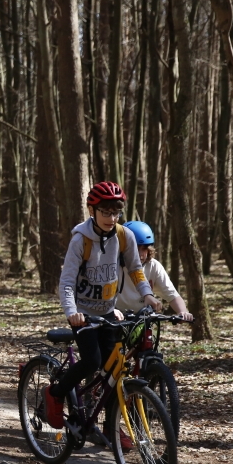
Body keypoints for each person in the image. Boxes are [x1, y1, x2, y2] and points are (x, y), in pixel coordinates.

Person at [45, 182, 162, 432]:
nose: (111, 218)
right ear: (92, 210)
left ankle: (111, 428)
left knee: (114, 371)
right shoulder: (81, 240)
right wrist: (72, 312)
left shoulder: (124, 236)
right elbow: (67, 281)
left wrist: (148, 295)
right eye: (106, 212)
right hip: (83, 314)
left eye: (116, 212)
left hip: (108, 312)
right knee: (92, 361)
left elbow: (135, 269)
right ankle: (56, 393)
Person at [115, 221, 195, 321]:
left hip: (143, 318)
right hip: (115, 318)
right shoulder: (113, 265)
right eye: (135, 249)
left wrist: (182, 311)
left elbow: (172, 295)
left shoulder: (153, 266)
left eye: (144, 249)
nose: (140, 254)